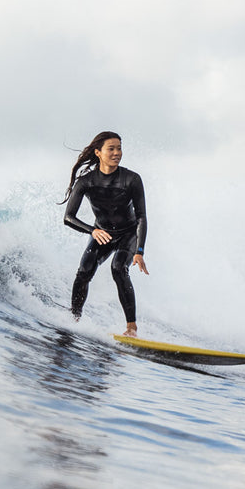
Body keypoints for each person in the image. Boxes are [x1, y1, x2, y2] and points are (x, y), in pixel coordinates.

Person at [61, 131, 149, 336]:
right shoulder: (86, 181)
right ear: (98, 152)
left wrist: (139, 251)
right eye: (112, 148)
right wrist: (93, 231)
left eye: (119, 148)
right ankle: (74, 318)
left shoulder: (131, 179)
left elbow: (142, 217)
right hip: (102, 234)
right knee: (83, 272)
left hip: (128, 234)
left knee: (118, 268)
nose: (117, 152)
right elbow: (68, 217)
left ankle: (131, 328)